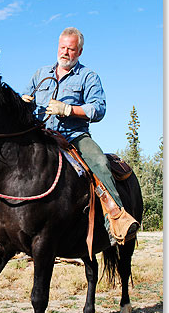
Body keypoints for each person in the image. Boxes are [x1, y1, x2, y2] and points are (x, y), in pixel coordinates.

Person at [22, 27, 139, 245]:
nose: (65, 52)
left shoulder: (88, 76)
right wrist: (23, 102)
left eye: (71, 49)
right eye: (62, 47)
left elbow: (98, 109)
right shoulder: (41, 74)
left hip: (73, 137)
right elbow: (27, 98)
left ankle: (115, 218)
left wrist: (68, 110)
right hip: (41, 136)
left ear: (80, 51)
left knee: (100, 162)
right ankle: (2, 226)